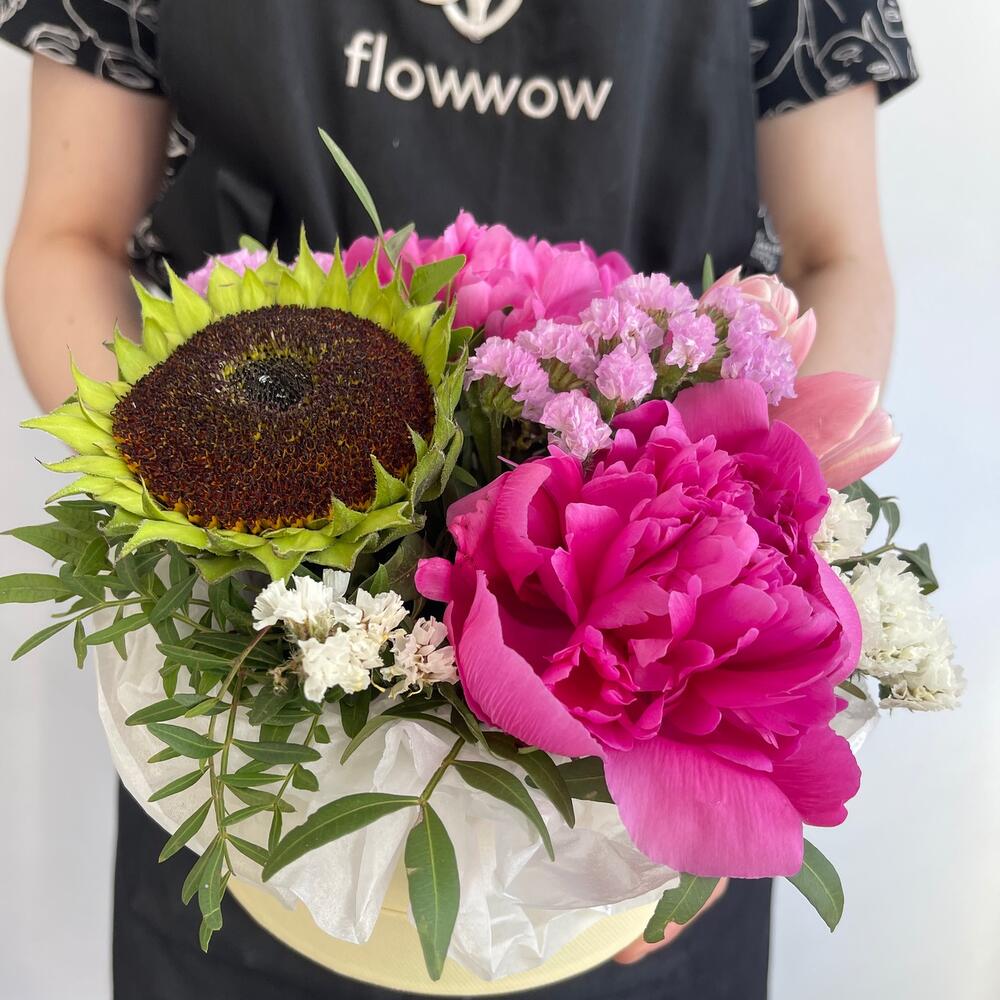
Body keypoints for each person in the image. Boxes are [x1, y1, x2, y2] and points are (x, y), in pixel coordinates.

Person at [1, 2, 916, 997]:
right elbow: (73, 237)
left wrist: (727, 625)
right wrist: (204, 525)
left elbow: (833, 258)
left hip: (631, 765)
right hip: (245, 723)